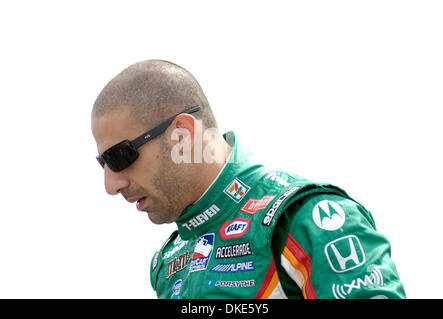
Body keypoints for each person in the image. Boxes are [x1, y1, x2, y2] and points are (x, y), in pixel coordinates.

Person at [91, 59, 406, 299]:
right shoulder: (168, 261)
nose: (110, 184)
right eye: (102, 163)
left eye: (120, 157)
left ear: (182, 136)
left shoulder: (304, 217)